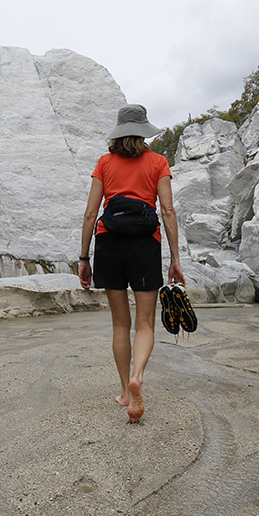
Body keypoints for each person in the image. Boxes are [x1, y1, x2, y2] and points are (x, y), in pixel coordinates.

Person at [78, 104, 184, 423]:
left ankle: (125, 391)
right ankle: (138, 375)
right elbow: (167, 211)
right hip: (144, 244)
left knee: (120, 324)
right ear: (144, 131)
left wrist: (84, 258)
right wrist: (175, 259)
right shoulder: (158, 162)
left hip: (108, 242)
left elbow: (89, 212)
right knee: (145, 324)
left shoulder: (104, 163)